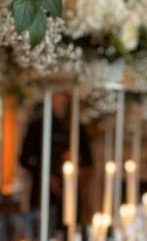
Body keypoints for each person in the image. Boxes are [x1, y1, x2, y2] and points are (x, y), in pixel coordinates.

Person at [19, 93, 93, 225]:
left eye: (61, 94)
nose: (57, 98)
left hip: (69, 189)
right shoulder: (37, 126)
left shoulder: (76, 128)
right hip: (42, 190)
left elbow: (88, 159)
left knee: (69, 225)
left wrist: (75, 159)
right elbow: (24, 159)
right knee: (42, 225)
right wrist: (44, 175)